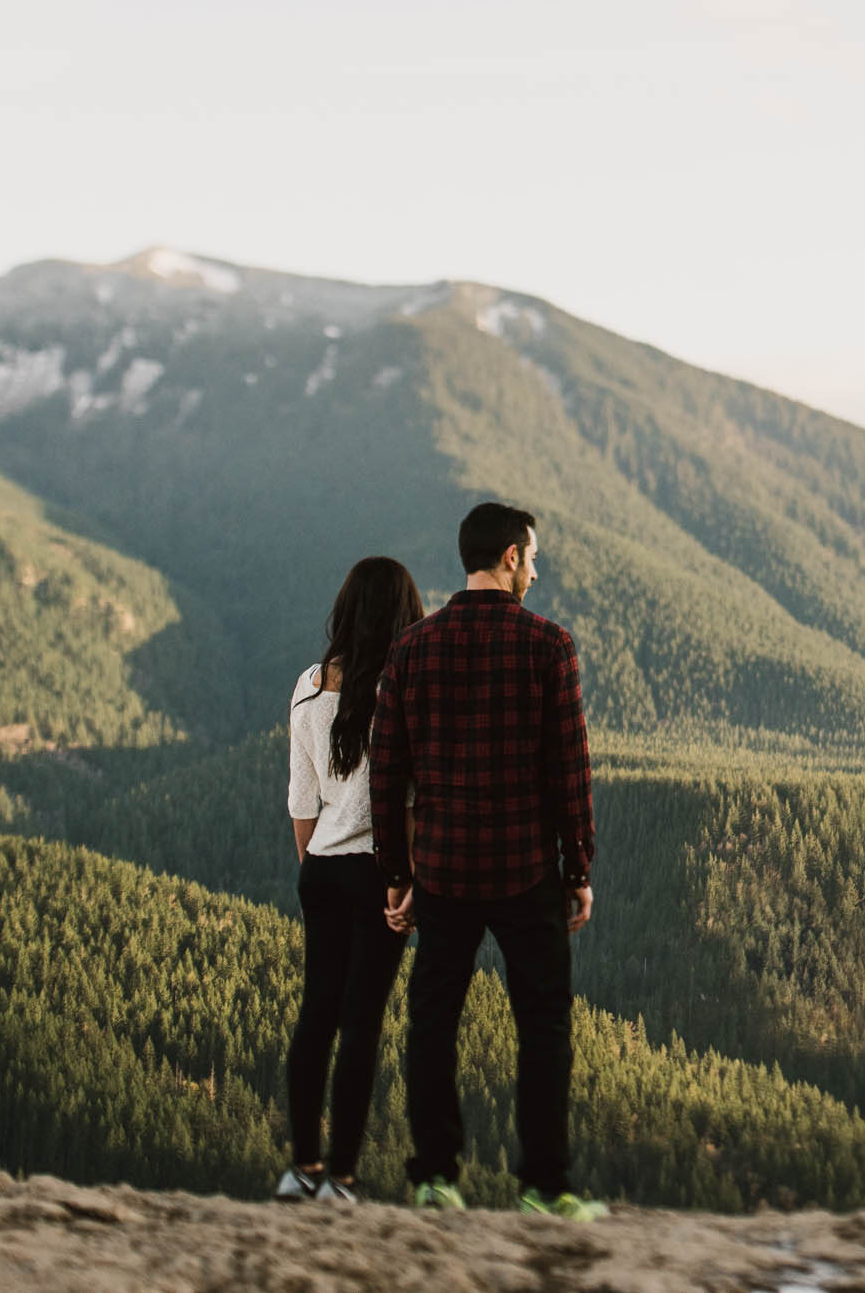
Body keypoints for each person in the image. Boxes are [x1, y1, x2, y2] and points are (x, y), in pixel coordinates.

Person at [370, 502, 604, 1221]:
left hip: (442, 870)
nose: (535, 569)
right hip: (526, 869)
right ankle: (544, 1185)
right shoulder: (548, 645)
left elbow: (387, 771)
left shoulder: (412, 647)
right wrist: (578, 870)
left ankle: (435, 1177)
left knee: (433, 1020)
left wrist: (398, 875)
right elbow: (570, 770)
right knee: (544, 1027)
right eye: (532, 557)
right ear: (509, 556)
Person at [275, 556, 424, 1204]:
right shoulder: (404, 686)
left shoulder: (309, 684)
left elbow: (301, 797)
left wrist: (312, 866)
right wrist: (404, 880)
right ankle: (341, 1177)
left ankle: (302, 1167)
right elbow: (409, 801)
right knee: (361, 1024)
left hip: (324, 871)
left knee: (316, 1016)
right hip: (380, 875)